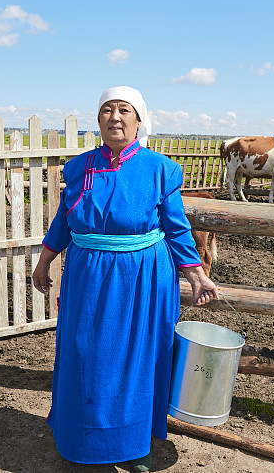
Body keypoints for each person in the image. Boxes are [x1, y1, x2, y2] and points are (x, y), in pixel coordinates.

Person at [31, 86, 219, 471]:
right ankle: (81, 436)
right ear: (98, 119)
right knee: (85, 354)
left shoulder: (160, 169)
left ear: (138, 120)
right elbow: (65, 220)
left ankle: (133, 446)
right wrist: (44, 261)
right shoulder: (79, 166)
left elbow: (176, 228)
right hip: (86, 276)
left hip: (143, 279)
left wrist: (196, 275)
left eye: (124, 110)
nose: (114, 117)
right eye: (107, 110)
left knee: (136, 360)